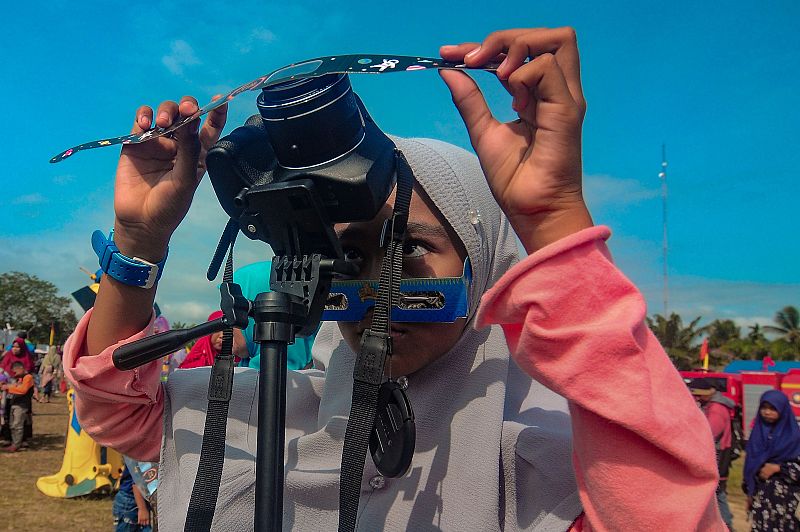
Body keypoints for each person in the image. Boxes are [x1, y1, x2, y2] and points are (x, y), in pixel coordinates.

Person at [64, 28, 725, 530]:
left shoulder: (551, 458)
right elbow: (115, 408)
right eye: (350, 255)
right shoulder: (280, 411)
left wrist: (552, 220)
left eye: (407, 248)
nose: (376, 288)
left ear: (484, 261)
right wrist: (139, 242)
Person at [743, 390, 800, 530]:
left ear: (783, 409)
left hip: (785, 501)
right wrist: (750, 493)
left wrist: (778, 468)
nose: (767, 412)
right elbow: (750, 465)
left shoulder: (795, 437)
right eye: (764, 407)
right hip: (760, 499)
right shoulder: (758, 434)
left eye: (773, 408)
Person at [691, 380, 736, 530]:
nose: (697, 397)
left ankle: (726, 524)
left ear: (710, 391)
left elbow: (709, 433)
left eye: (699, 394)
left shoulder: (716, 409)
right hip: (717, 454)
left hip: (718, 456)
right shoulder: (712, 405)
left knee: (717, 492)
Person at [178, 310, 249, 369]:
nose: (222, 335)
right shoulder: (193, 365)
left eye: (228, 331)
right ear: (209, 332)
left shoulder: (241, 361)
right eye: (218, 330)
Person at [1, 361, 34, 452]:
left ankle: (16, 444)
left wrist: (8, 387)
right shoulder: (20, 379)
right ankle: (14, 442)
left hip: (22, 405)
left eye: (15, 372)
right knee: (13, 425)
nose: (14, 374)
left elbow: (23, 390)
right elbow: (15, 387)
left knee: (17, 424)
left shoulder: (28, 377)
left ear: (20, 368)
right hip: (14, 404)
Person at [113, 464, 153, 532]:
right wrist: (142, 508)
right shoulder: (140, 459)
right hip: (131, 501)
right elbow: (137, 482)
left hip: (140, 499)